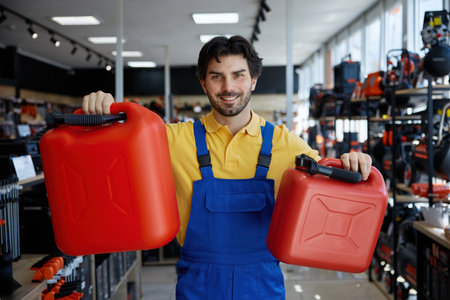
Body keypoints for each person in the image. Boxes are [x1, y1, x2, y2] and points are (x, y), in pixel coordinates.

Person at [82, 35, 372, 300]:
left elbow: (332, 182)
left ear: (254, 80)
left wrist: (355, 162)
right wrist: (102, 112)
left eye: (238, 75)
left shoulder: (288, 144)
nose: (228, 87)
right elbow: (112, 154)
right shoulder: (171, 139)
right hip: (198, 285)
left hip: (263, 286)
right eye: (216, 77)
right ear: (203, 82)